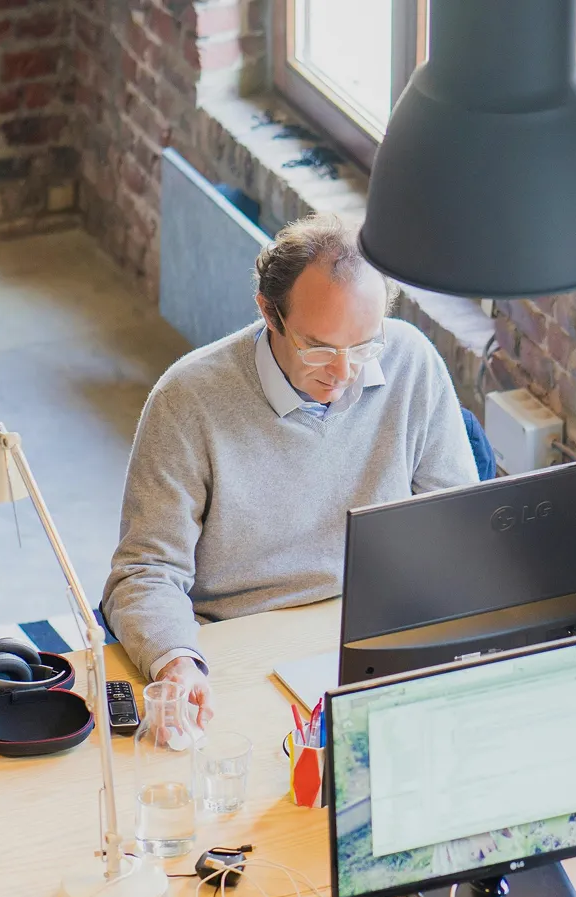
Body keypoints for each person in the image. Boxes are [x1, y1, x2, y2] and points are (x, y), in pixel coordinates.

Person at [102, 213, 479, 726]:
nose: (344, 374)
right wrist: (176, 662)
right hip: (236, 645)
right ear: (269, 313)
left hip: (369, 632)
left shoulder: (410, 360)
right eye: (320, 347)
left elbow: (455, 528)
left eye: (364, 345)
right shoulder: (187, 400)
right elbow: (145, 572)